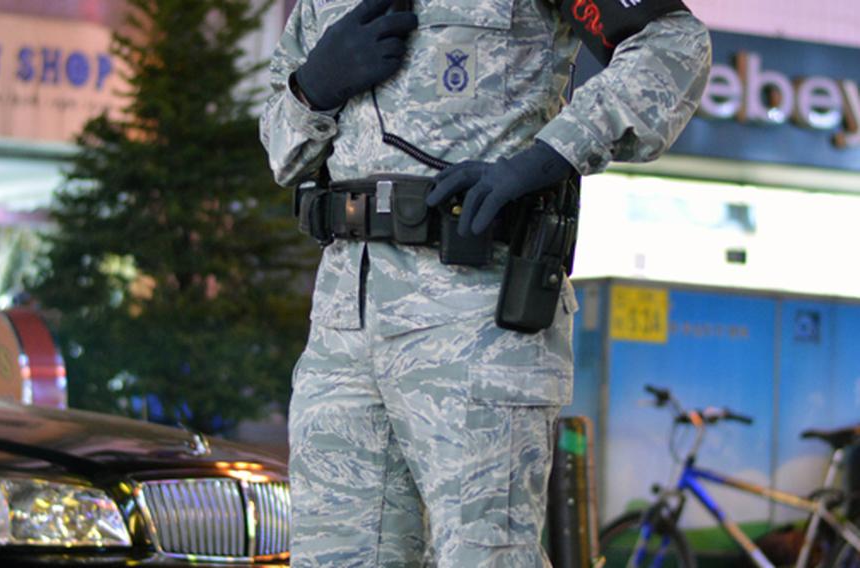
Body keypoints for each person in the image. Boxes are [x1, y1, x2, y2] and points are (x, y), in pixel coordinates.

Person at [260, 0, 711, 565]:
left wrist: (550, 156)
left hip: (475, 314)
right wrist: (313, 89)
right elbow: (282, 153)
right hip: (342, 322)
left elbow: (673, 46)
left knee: (484, 556)